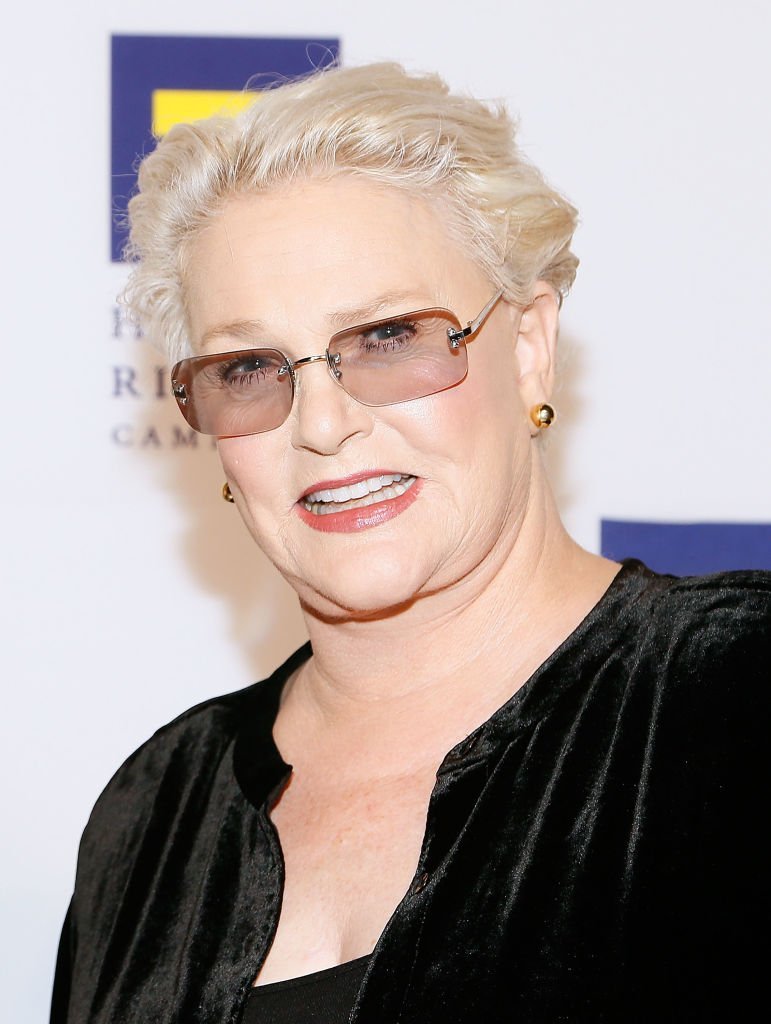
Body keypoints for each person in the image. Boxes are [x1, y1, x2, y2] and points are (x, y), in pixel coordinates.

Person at [51, 63, 770, 1023]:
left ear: (527, 350)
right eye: (251, 367)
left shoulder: (733, 697)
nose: (320, 423)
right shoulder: (155, 809)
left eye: (387, 337)